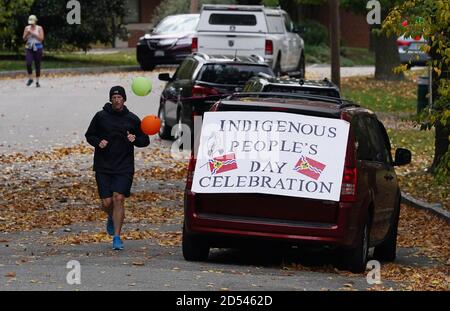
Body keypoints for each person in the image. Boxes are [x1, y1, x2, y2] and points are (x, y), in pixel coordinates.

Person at [85, 86, 150, 250]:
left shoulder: (133, 119)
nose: (116, 100)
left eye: (119, 97)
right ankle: (111, 217)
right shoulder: (100, 117)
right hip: (103, 165)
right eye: (113, 97)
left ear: (124, 99)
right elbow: (89, 135)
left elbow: (145, 140)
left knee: (119, 198)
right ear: (110, 99)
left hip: (124, 166)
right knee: (107, 203)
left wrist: (135, 139)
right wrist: (98, 142)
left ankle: (117, 237)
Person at [23, 15, 45, 87]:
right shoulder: (27, 28)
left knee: (37, 64)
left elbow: (41, 39)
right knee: (28, 63)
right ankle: (30, 78)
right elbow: (24, 38)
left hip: (38, 47)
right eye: (30, 22)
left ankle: (37, 82)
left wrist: (33, 34)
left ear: (35, 21)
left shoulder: (39, 28)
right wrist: (27, 33)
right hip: (29, 47)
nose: (31, 24)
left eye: (32, 22)